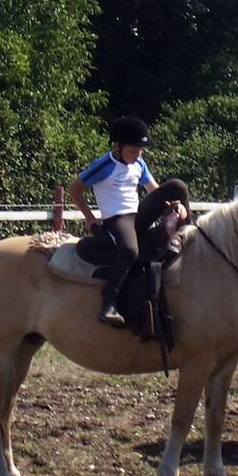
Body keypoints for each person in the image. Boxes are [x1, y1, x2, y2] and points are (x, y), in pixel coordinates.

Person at [69, 115, 189, 326]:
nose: (138, 155)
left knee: (178, 186)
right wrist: (90, 219)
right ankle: (108, 302)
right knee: (130, 251)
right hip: (117, 219)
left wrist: (173, 204)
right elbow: (75, 190)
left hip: (138, 213)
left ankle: (189, 233)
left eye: (140, 151)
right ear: (118, 146)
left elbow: (154, 190)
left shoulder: (139, 164)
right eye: (133, 150)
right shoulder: (104, 165)